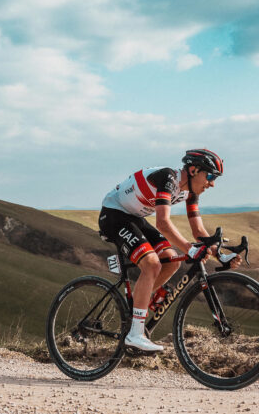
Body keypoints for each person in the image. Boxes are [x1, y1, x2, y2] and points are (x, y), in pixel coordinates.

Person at [98, 149, 241, 351]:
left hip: (133, 218)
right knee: (152, 264)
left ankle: (137, 309)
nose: (212, 183)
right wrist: (191, 250)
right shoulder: (169, 178)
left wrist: (221, 255)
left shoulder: (191, 192)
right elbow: (163, 223)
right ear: (193, 170)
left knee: (171, 260)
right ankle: (135, 334)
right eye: (210, 176)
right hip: (113, 215)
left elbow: (198, 231)